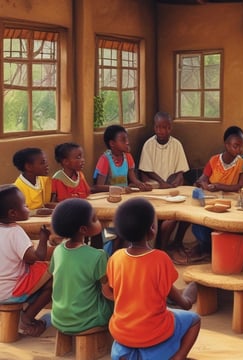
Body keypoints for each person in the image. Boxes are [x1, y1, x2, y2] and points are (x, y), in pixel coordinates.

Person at [102, 197, 200, 360]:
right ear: (152, 229)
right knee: (194, 320)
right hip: (153, 332)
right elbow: (171, 293)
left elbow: (109, 290)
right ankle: (178, 357)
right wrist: (186, 301)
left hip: (122, 331)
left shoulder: (116, 258)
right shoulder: (160, 259)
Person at [49, 198, 112, 333]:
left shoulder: (58, 250)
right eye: (95, 219)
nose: (99, 222)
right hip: (87, 320)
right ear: (83, 229)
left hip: (59, 319)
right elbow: (107, 293)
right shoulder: (98, 256)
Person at [190, 126, 243, 260]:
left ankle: (215, 250)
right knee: (198, 226)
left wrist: (219, 186)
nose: (239, 150)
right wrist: (204, 184)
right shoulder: (214, 160)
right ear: (226, 145)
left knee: (230, 228)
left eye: (241, 146)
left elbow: (241, 186)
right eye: (236, 146)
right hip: (211, 202)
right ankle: (209, 248)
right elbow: (202, 179)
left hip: (231, 204)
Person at [0, 184, 52, 337]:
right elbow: (36, 257)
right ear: (13, 213)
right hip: (11, 290)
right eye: (24, 204)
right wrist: (43, 238)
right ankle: (27, 319)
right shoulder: (15, 232)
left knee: (40, 273)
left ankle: (25, 314)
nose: (28, 206)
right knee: (52, 275)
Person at [138, 112, 191, 257]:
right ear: (154, 127)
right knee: (164, 218)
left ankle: (174, 243)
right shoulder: (148, 145)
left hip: (171, 190)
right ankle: (161, 249)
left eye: (165, 127)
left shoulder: (176, 144)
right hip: (155, 188)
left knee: (186, 213)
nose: (161, 131)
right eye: (158, 127)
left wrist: (176, 180)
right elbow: (146, 171)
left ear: (170, 128)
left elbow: (181, 171)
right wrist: (161, 183)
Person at [93, 125, 152, 193]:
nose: (127, 142)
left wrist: (141, 185)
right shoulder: (105, 160)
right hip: (109, 197)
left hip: (124, 195)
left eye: (127, 139)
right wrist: (120, 188)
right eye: (123, 140)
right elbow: (98, 187)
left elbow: (133, 179)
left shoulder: (128, 156)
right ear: (112, 143)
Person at [12, 147, 53, 213]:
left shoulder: (46, 181)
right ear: (29, 167)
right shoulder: (18, 189)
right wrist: (37, 212)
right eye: (42, 163)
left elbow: (46, 204)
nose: (47, 165)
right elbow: (18, 213)